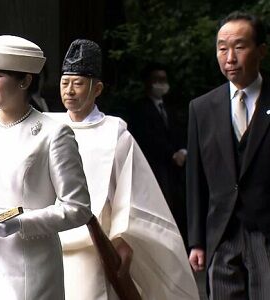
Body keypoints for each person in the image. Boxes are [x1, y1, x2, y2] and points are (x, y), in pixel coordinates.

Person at [46, 39, 198, 299]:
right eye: (65, 83)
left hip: (95, 243)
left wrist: (121, 237)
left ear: (97, 89)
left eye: (78, 83)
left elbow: (131, 193)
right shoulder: (47, 127)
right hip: (49, 240)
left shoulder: (114, 133)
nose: (69, 90)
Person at [0, 35, 93, 299]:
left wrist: (21, 223)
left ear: (24, 80)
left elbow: (77, 208)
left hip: (30, 268)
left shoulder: (54, 133)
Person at [187, 11, 270, 299]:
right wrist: (197, 240)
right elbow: (195, 180)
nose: (229, 57)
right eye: (222, 48)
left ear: (261, 50)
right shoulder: (202, 108)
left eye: (239, 46)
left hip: (265, 233)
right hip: (221, 235)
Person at [129, 62, 188, 242]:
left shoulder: (172, 108)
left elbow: (182, 131)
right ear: (147, 82)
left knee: (180, 206)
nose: (160, 84)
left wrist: (183, 151)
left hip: (177, 168)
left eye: (163, 79)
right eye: (156, 80)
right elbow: (147, 137)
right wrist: (171, 154)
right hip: (155, 166)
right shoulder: (139, 109)